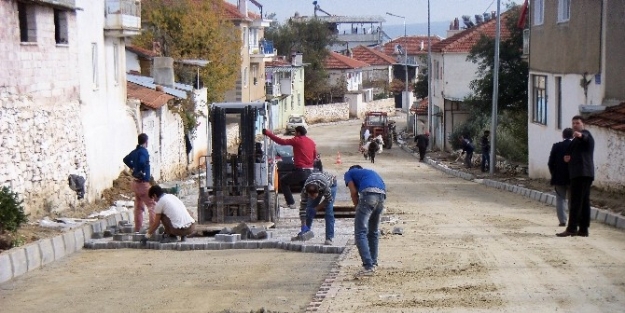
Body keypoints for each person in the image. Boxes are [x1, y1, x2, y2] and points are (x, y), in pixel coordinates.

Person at [344, 165, 386, 277]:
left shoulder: (349, 173)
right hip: (381, 196)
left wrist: (357, 206)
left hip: (368, 196)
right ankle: (373, 262)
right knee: (373, 232)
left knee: (360, 232)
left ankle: (368, 266)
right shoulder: (369, 172)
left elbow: (353, 192)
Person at [263, 126, 317, 210]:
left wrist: (268, 133)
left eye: (295, 132)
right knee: (305, 188)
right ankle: (308, 207)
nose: (294, 134)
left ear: (298, 133)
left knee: (284, 181)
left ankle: (291, 203)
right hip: (310, 170)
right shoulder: (311, 142)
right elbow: (314, 156)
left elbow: (281, 141)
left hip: (301, 170)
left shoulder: (297, 140)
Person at [557, 116, 595, 237]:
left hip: (581, 173)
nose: (575, 125)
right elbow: (573, 153)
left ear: (583, 124)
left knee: (575, 202)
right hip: (583, 173)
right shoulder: (575, 140)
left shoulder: (585, 134)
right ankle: (583, 229)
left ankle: (572, 229)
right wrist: (567, 157)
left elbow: (586, 138)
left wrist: (580, 135)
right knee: (583, 202)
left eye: (577, 123)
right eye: (573, 123)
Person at [292, 171, 337, 245]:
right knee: (309, 209)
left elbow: (328, 200)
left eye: (314, 196)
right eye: (310, 196)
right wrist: (303, 224)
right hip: (316, 180)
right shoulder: (305, 191)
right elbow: (302, 208)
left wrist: (316, 208)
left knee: (329, 212)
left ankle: (329, 238)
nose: (312, 198)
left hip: (331, 183)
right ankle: (305, 233)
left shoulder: (325, 187)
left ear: (319, 192)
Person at [123, 133, 155, 232]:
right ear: (146, 142)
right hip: (143, 182)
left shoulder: (135, 151)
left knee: (138, 207)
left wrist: (133, 168)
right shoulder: (143, 152)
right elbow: (142, 161)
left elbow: (126, 159)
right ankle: (153, 228)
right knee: (152, 205)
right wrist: (142, 170)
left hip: (135, 183)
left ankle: (138, 228)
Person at [548, 128, 573, 227]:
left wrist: (554, 174)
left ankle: (562, 221)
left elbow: (550, 163)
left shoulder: (556, 146)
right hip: (573, 178)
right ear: (572, 136)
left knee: (560, 199)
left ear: (563, 136)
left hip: (559, 178)